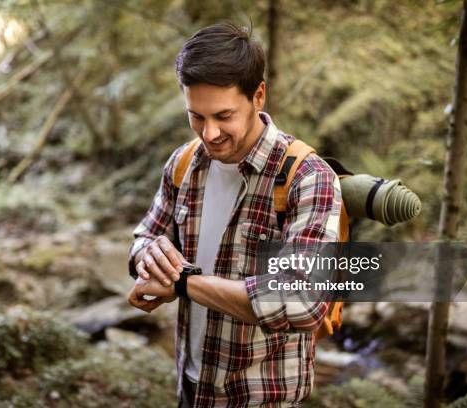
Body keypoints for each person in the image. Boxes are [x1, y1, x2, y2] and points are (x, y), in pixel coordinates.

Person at [127, 22, 342, 407]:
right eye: (196, 116)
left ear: (258, 95)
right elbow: (144, 236)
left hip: (263, 397)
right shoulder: (184, 163)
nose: (208, 134)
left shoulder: (307, 178)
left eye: (223, 116)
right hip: (191, 386)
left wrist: (181, 283)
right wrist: (149, 258)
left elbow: (304, 300)